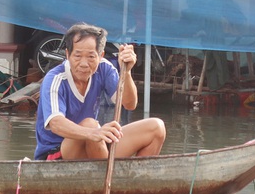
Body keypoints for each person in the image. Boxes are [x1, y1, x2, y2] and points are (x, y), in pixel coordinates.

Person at [34, 22, 166, 161]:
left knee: (156, 128)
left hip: (95, 145)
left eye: (91, 57)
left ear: (101, 55)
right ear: (68, 55)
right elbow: (56, 124)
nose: (84, 64)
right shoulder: (55, 79)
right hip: (59, 153)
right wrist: (93, 132)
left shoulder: (104, 68)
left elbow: (129, 104)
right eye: (77, 56)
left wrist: (125, 72)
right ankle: (105, 175)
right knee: (91, 124)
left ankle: (135, 180)